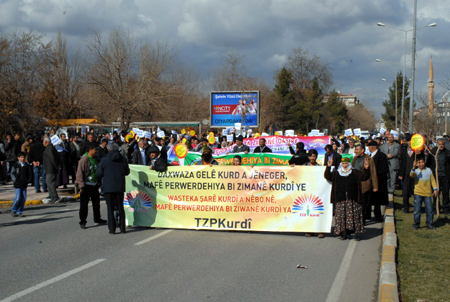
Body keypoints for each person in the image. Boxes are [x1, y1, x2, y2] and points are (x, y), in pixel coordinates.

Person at [324, 156, 370, 240]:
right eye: (343, 163)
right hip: (340, 199)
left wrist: (366, 168)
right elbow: (327, 176)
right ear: (341, 164)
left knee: (354, 216)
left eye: (346, 163)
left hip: (353, 199)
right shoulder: (336, 173)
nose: (345, 165)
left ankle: (355, 233)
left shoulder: (355, 172)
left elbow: (364, 177)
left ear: (349, 164)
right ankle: (343, 233)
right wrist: (328, 166)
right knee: (342, 217)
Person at [97, 142, 130, 234]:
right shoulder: (123, 160)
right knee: (120, 207)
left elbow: (99, 173)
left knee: (110, 209)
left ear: (108, 149)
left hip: (108, 187)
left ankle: (112, 229)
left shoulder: (104, 160)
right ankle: (123, 228)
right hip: (119, 186)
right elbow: (127, 172)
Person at [75, 142, 107, 229]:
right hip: (86, 185)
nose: (96, 151)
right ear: (90, 150)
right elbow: (79, 173)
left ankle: (97, 219)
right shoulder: (84, 159)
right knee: (84, 205)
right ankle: (83, 221)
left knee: (96, 203)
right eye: (95, 150)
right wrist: (81, 186)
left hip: (94, 184)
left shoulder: (95, 158)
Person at [352, 144, 378, 223]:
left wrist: (375, 186)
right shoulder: (355, 158)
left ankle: (362, 220)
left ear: (362, 150)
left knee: (364, 204)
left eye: (357, 149)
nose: (356, 151)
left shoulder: (369, 159)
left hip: (365, 185)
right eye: (355, 150)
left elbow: (373, 173)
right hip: (355, 184)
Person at [410, 156, 438, 230]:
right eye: (419, 162)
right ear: (417, 163)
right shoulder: (416, 171)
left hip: (427, 193)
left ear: (424, 162)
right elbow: (411, 175)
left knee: (429, 210)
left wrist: (435, 189)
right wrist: (413, 167)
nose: (421, 164)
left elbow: (433, 180)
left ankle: (429, 223)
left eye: (422, 162)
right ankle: (416, 224)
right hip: (418, 193)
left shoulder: (429, 170)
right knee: (417, 210)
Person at [367, 141, 389, 221]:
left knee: (377, 200)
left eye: (369, 147)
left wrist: (376, 176)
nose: (368, 148)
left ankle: (378, 215)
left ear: (372, 147)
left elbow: (384, 169)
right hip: (370, 181)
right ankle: (367, 215)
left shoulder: (381, 156)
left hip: (379, 180)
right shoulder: (369, 156)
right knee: (369, 199)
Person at [428, 138, 450, 214]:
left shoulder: (447, 153)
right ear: (437, 144)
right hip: (436, 176)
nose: (441, 146)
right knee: (436, 192)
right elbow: (429, 163)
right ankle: (435, 207)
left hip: (445, 176)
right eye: (440, 144)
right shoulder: (433, 152)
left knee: (446, 193)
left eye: (442, 144)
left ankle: (446, 208)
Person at [379, 133, 401, 202]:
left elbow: (396, 152)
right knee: (387, 177)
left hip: (393, 163)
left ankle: (392, 190)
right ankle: (387, 189)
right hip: (386, 163)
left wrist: (391, 155)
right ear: (387, 138)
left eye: (391, 137)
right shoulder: (384, 145)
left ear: (393, 138)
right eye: (389, 137)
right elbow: (381, 152)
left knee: (393, 177)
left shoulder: (397, 145)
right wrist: (386, 156)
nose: (390, 138)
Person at [10, 152, 32, 217]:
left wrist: (28, 180)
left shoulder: (26, 165)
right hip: (17, 184)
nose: (22, 159)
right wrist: (15, 180)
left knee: (23, 198)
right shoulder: (15, 165)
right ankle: (14, 209)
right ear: (18, 158)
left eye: (23, 157)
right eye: (21, 157)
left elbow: (29, 174)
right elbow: (12, 173)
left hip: (24, 184)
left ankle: (20, 211)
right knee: (18, 198)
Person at [399, 134, 416, 213]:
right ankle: (406, 207)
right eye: (408, 141)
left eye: (411, 141)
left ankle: (417, 207)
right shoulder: (403, 149)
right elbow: (402, 162)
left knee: (415, 191)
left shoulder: (417, 150)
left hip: (415, 174)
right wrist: (401, 174)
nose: (409, 143)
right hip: (406, 173)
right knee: (405, 191)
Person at [43, 137, 60, 203]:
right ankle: (51, 195)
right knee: (48, 182)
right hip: (49, 168)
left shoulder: (49, 148)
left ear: (46, 142)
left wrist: (55, 166)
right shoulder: (50, 147)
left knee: (50, 182)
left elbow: (52, 158)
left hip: (51, 168)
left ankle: (55, 196)